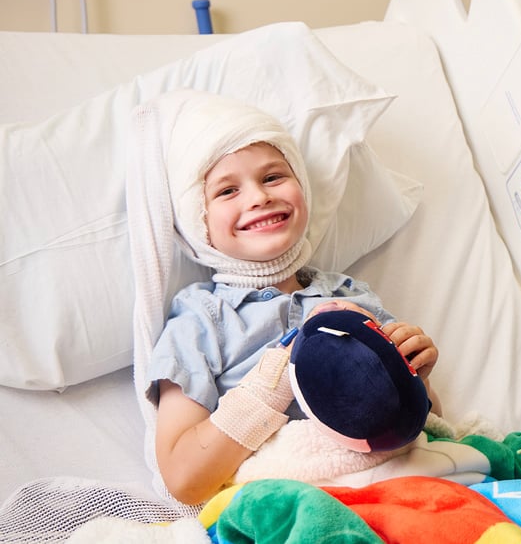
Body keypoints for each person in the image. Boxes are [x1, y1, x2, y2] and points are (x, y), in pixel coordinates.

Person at [141, 90, 441, 506]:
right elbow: (182, 477)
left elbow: (426, 426)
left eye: (272, 177)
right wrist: (267, 391)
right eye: (227, 191)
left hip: (391, 484)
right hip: (286, 502)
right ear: (198, 218)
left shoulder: (350, 295)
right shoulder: (201, 320)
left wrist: (419, 376)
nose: (258, 197)